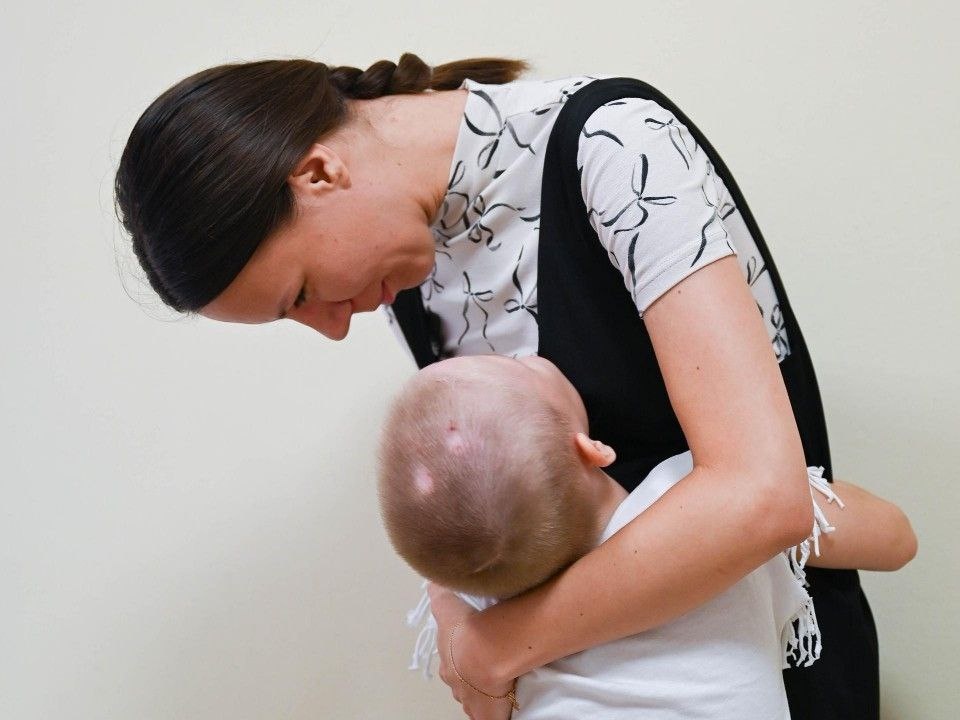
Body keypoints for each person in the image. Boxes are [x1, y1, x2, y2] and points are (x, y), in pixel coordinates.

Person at [114, 53, 887, 720]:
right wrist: (451, 610)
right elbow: (486, 489)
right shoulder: (407, 260)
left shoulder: (616, 147)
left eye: (304, 294)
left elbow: (763, 497)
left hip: (763, 674)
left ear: (319, 173)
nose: (333, 327)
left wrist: (495, 645)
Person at [376, 354, 916, 718]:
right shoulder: (699, 504)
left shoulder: (485, 615)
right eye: (515, 365)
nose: (524, 353)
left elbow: (446, 592)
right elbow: (894, 538)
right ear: (588, 448)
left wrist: (445, 594)